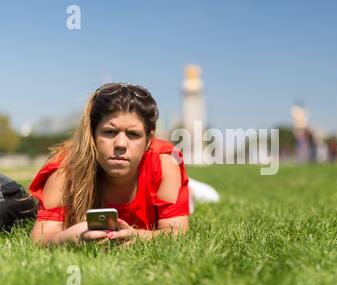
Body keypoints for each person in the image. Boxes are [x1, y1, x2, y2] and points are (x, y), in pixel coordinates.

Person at [29, 83, 216, 246]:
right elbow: (40, 238)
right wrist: (69, 238)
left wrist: (138, 235)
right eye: (109, 132)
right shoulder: (64, 168)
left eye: (133, 134)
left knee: (187, 202)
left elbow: (176, 232)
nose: (120, 144)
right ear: (92, 134)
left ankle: (190, 188)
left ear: (149, 140)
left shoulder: (167, 160)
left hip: (162, 181)